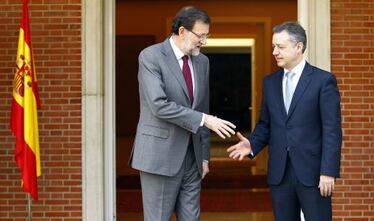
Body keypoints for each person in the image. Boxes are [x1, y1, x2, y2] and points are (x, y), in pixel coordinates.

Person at [129, 6, 236, 221]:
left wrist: (204, 157)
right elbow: (159, 105)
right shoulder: (150, 56)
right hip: (159, 157)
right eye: (201, 35)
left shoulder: (202, 61)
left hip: (192, 158)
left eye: (207, 35)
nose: (204, 41)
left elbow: (202, 108)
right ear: (182, 31)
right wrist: (205, 120)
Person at [227, 21, 342, 221]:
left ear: (299, 47)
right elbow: (265, 124)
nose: (275, 52)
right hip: (279, 174)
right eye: (273, 46)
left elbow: (332, 130)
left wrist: (328, 171)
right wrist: (252, 144)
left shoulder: (323, 81)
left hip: (313, 174)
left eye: (280, 47)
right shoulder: (269, 82)